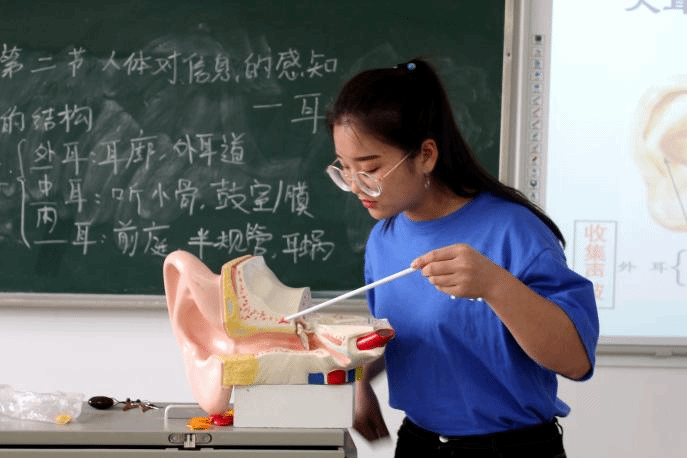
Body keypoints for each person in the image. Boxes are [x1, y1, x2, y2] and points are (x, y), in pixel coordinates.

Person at [324, 58, 599, 458]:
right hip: (418, 444)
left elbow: (576, 361)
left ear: (426, 155)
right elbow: (408, 338)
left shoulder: (513, 230)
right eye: (344, 169)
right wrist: (359, 379)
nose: (355, 186)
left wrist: (494, 285)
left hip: (511, 450)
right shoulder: (384, 240)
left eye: (369, 169)